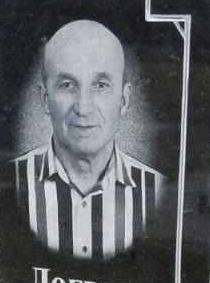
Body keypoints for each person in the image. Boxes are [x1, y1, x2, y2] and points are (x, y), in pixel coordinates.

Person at [13, 20, 166, 261]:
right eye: (67, 85)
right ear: (45, 99)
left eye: (100, 85)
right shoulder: (13, 182)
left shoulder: (158, 190)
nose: (83, 108)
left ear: (124, 100)